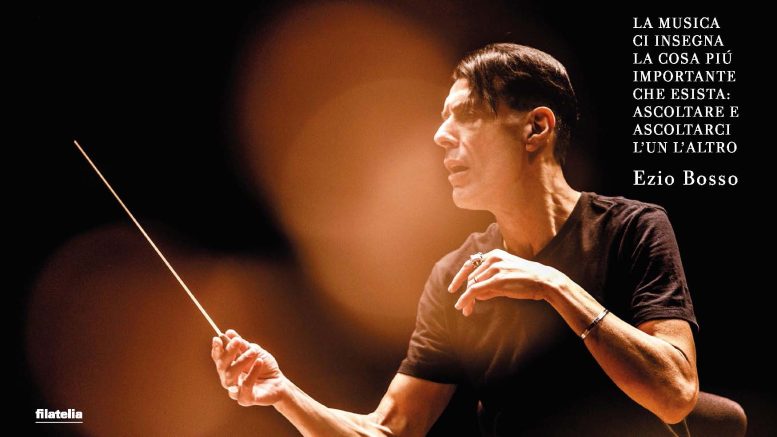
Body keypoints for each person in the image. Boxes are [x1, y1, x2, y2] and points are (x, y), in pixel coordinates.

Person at [211, 43, 743, 436]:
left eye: (465, 116)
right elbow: (389, 431)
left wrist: (555, 286)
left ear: (536, 128)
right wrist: (282, 393)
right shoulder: (455, 274)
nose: (440, 136)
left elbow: (677, 394)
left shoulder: (633, 229)